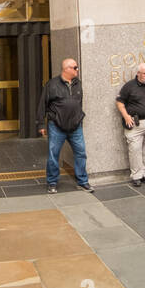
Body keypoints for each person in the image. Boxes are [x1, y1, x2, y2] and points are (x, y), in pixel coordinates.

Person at [37, 57, 91, 193]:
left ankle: (83, 181)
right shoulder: (52, 84)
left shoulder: (78, 83)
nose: (77, 69)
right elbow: (42, 105)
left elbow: (79, 103)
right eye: (75, 67)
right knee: (53, 155)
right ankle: (52, 182)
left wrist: (79, 118)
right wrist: (40, 125)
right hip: (56, 126)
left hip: (75, 126)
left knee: (81, 153)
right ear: (66, 69)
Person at [116, 62, 145, 186]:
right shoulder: (129, 86)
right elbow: (119, 102)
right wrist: (126, 116)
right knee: (134, 149)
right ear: (138, 74)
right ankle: (136, 175)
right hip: (136, 123)